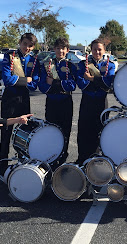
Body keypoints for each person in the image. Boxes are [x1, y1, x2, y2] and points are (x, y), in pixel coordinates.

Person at [0, 33, 39, 175]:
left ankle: (23, 163)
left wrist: (27, 81)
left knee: (24, 133)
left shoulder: (34, 60)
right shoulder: (9, 56)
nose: (27, 47)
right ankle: (2, 164)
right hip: (10, 99)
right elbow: (7, 80)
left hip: (24, 98)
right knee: (6, 132)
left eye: (30, 45)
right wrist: (26, 80)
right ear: (20, 42)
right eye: (25, 44)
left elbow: (34, 84)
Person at [75, 39, 115, 165]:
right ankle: (82, 160)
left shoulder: (110, 64)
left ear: (104, 51)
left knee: (100, 131)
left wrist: (91, 78)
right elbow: (82, 83)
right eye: (94, 49)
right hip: (87, 101)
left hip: (102, 102)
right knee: (84, 131)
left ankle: (96, 161)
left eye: (99, 49)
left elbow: (108, 83)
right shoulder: (83, 64)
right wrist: (99, 81)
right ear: (90, 50)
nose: (97, 52)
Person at [38, 38, 77, 167]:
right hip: (52, 103)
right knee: (51, 131)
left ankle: (62, 159)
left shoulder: (71, 66)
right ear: (54, 49)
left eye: (63, 48)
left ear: (67, 50)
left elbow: (71, 86)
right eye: (58, 48)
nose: (60, 50)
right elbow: (43, 86)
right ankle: (52, 158)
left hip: (66, 102)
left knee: (66, 131)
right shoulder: (46, 65)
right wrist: (58, 85)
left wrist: (55, 83)